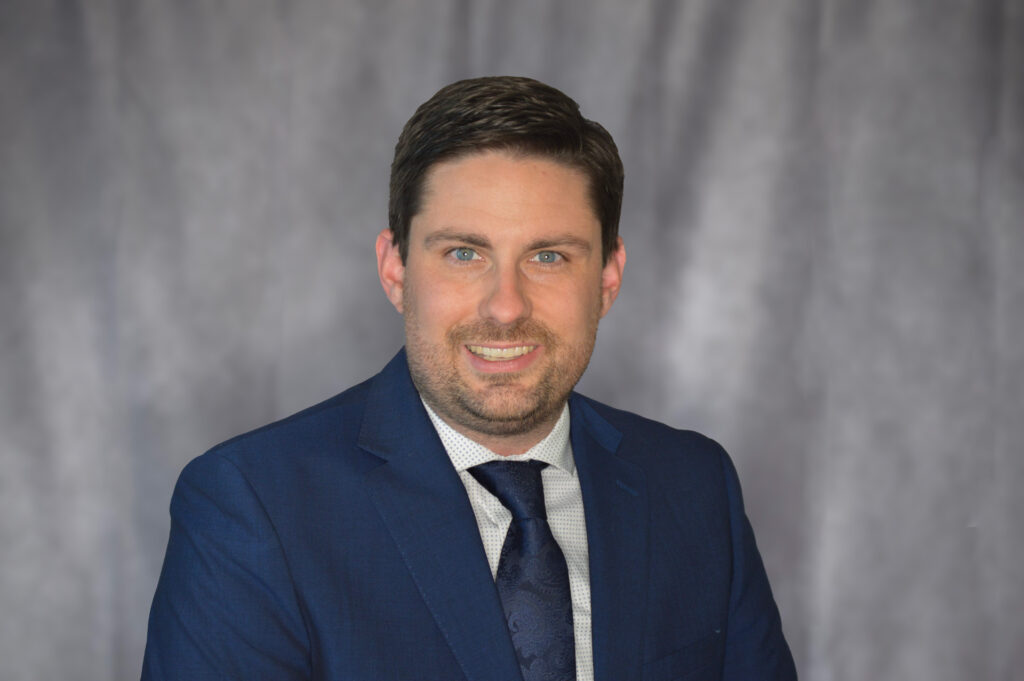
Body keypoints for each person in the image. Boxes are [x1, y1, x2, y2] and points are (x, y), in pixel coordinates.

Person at [141, 76, 797, 681]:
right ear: (395, 270)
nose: (506, 306)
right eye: (463, 253)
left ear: (607, 277)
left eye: (548, 256)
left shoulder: (693, 487)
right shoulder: (253, 505)